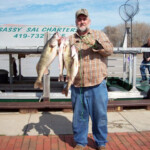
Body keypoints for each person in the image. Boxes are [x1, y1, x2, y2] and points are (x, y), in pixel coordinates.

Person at [69, 9, 113, 150]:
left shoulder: (99, 34)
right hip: (77, 85)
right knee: (79, 117)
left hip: (97, 83)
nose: (82, 21)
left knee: (100, 116)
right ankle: (80, 142)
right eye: (79, 19)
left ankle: (100, 142)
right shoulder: (70, 39)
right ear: (76, 21)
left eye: (84, 19)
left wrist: (94, 44)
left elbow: (109, 51)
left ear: (89, 21)